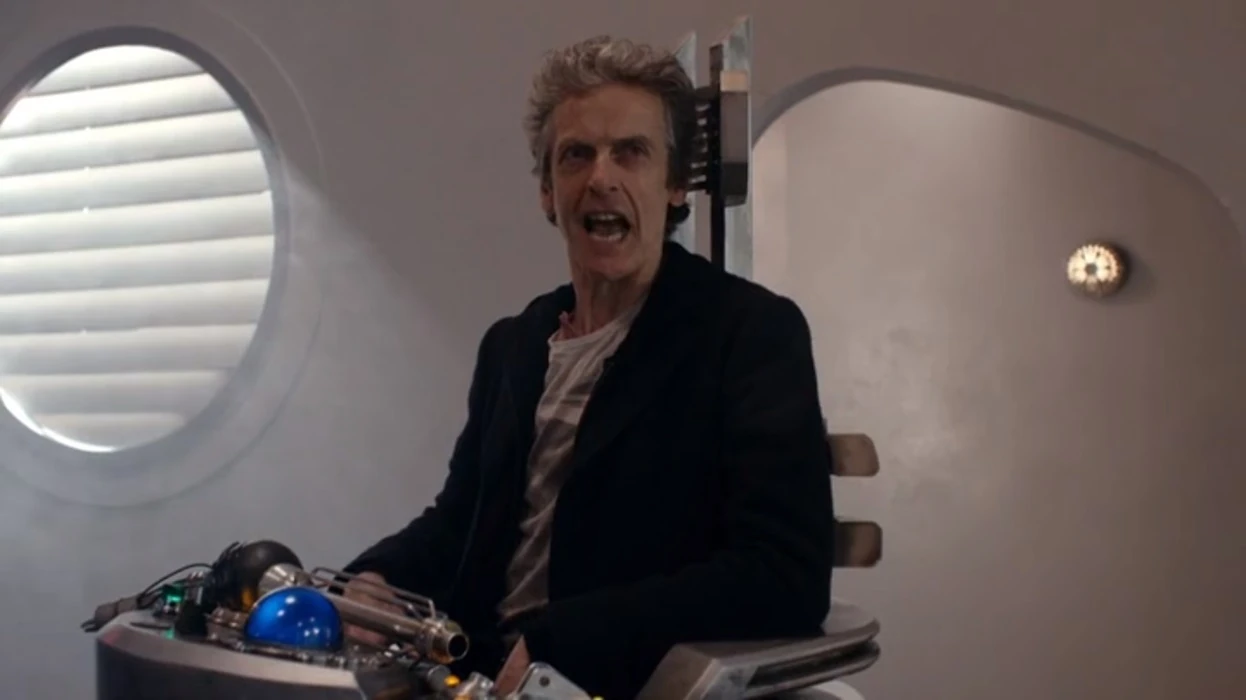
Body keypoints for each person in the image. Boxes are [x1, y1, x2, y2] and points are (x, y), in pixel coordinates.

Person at [342, 35, 835, 699]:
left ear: (673, 186)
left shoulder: (748, 334)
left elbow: (783, 575)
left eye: (631, 152)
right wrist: (373, 580)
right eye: (577, 155)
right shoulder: (513, 344)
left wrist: (562, 641)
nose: (602, 177)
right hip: (473, 673)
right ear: (548, 193)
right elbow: (461, 523)